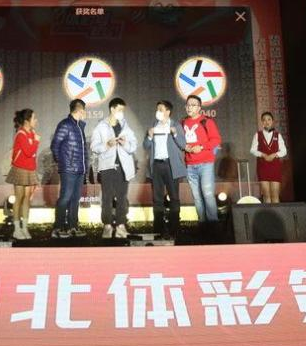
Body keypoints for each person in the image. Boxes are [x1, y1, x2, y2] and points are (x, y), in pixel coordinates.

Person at [91, 97, 137, 239]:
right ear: (112, 109)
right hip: (107, 167)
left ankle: (121, 226)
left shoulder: (125, 127)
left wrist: (125, 143)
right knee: (107, 197)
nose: (122, 113)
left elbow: (133, 146)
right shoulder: (101, 126)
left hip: (123, 167)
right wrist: (107, 144)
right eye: (119, 110)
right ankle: (107, 226)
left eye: (123, 110)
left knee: (122, 197)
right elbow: (94, 146)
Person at [144, 99, 186, 239]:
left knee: (174, 197)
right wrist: (149, 137)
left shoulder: (176, 125)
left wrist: (175, 134)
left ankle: (175, 228)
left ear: (168, 111)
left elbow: (183, 144)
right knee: (157, 198)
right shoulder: (153, 125)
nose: (158, 112)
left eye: (161, 110)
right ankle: (158, 228)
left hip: (170, 165)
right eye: (157, 109)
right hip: (156, 165)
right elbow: (145, 145)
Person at [181, 95, 223, 224]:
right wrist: (184, 147)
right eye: (188, 105)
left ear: (199, 107)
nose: (189, 107)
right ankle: (202, 223)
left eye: (193, 105)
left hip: (205, 164)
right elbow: (179, 140)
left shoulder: (206, 121)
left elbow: (216, 140)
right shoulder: (182, 122)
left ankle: (213, 224)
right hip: (190, 165)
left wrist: (201, 147)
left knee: (207, 194)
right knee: (197, 197)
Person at [50, 99, 87, 239]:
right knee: (65, 197)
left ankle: (73, 227)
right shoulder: (65, 124)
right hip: (69, 169)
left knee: (75, 199)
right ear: (80, 110)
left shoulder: (79, 126)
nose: (85, 113)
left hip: (79, 169)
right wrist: (64, 162)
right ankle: (58, 228)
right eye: (84, 110)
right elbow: (55, 145)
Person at [6, 108, 40, 240]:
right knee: (19, 198)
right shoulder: (21, 134)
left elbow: (32, 155)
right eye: (34, 118)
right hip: (20, 169)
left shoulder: (32, 133)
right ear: (27, 121)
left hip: (30, 170)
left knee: (27, 199)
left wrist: (34, 171)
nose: (36, 121)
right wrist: (36, 141)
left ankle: (25, 228)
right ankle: (16, 229)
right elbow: (28, 152)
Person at [249, 111, 287, 203]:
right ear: (262, 122)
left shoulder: (277, 135)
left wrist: (274, 155)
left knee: (275, 195)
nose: (267, 122)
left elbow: (284, 151)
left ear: (272, 121)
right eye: (264, 120)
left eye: (269, 119)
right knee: (266, 195)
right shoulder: (258, 135)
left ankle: (276, 212)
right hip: (263, 166)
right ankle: (268, 212)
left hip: (275, 167)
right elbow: (252, 150)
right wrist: (263, 155)